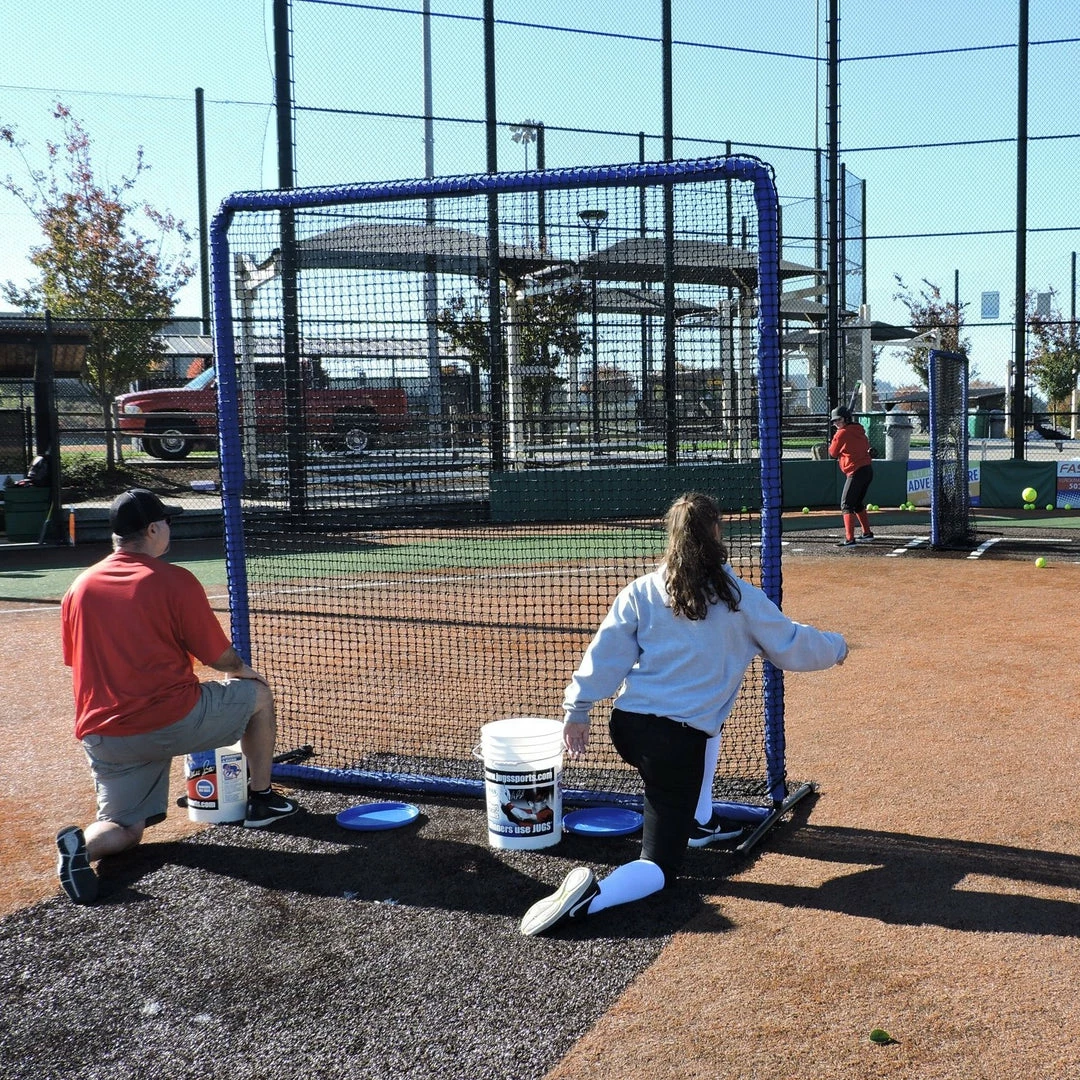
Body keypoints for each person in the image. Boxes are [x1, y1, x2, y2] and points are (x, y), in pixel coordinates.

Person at [519, 492, 848, 937]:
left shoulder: (642, 590)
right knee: (659, 866)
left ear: (671, 536)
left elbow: (606, 654)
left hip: (628, 728)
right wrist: (838, 646)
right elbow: (793, 645)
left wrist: (578, 709)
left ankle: (700, 818)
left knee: (704, 731)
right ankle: (593, 898)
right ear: (716, 532)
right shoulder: (740, 599)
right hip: (675, 746)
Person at [56, 487, 299, 905]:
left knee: (125, 828)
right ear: (152, 529)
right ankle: (261, 800)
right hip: (172, 720)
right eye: (166, 521)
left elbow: (74, 661)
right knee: (258, 695)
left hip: (106, 736)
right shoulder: (173, 580)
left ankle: (82, 849)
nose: (169, 528)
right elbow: (219, 658)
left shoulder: (78, 588)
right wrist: (245, 672)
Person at [828, 405, 875, 546]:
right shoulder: (859, 430)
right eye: (834, 421)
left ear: (846, 419)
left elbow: (832, 453)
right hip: (867, 470)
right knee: (857, 503)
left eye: (839, 420)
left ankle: (850, 539)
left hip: (856, 471)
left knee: (846, 504)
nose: (836, 423)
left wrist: (836, 437)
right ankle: (867, 533)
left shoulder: (841, 433)